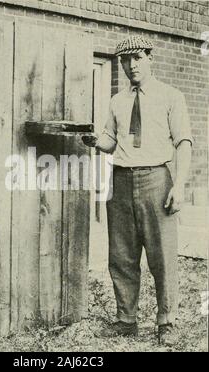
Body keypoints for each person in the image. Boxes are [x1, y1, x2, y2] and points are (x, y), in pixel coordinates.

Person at [82, 35, 193, 346]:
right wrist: (93, 141)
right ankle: (126, 320)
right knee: (121, 255)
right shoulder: (117, 101)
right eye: (125, 60)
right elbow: (110, 139)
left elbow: (183, 142)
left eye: (138, 58)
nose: (132, 65)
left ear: (149, 58)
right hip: (119, 181)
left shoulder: (171, 96)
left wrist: (180, 185)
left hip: (157, 180)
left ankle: (166, 322)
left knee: (162, 257)